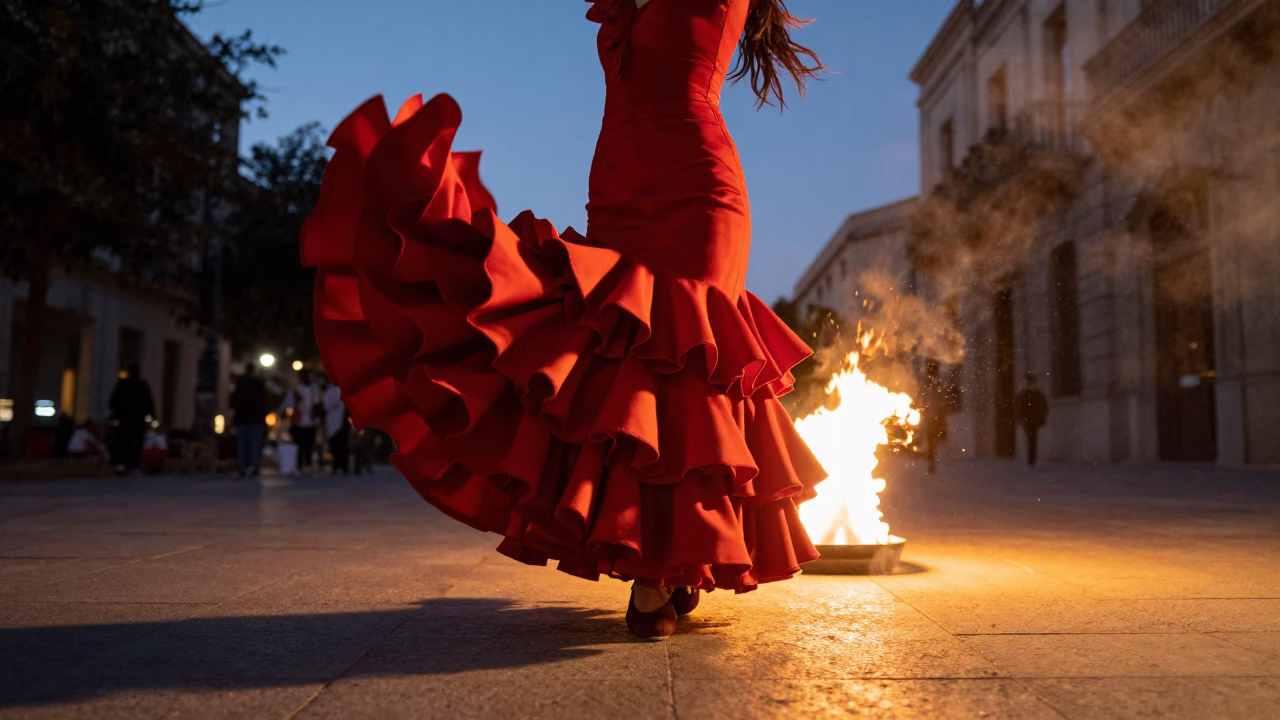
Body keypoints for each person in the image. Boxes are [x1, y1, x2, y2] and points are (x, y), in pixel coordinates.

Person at [301, 0, 828, 640]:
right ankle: (669, 552)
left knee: (679, 351)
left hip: (697, 184)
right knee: (610, 349)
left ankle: (661, 566)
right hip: (618, 184)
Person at [108, 363, 155, 475]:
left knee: (123, 441)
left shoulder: (122, 385)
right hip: (138, 420)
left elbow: (113, 402)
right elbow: (148, 404)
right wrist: (152, 420)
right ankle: (133, 465)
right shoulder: (142, 385)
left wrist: (117, 414)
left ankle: (121, 464)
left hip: (124, 419)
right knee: (136, 443)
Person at [277, 369, 320, 473]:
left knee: (309, 445)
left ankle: (307, 464)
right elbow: (287, 402)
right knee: (300, 445)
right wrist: (281, 413)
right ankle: (299, 465)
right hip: (299, 422)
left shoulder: (313, 389)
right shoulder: (296, 390)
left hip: (310, 422)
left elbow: (317, 403)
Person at [232, 362, 269, 477]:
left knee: (242, 443)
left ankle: (242, 466)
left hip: (243, 417)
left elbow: (235, 399)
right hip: (256, 417)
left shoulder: (241, 382)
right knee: (255, 442)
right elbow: (264, 400)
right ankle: (254, 465)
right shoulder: (259, 383)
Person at [916, 361, 949, 475]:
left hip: (932, 416)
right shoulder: (933, 383)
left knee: (932, 439)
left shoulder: (932, 383)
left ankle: (932, 459)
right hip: (931, 416)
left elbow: (936, 399)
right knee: (932, 439)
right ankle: (931, 459)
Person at [1015, 373, 1049, 466]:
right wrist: (1019, 418)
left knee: (1032, 438)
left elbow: (1044, 406)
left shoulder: (1036, 394)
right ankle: (1031, 458)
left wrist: (1042, 417)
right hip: (1028, 419)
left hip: (1033, 419)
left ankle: (1031, 458)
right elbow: (1019, 407)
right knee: (1031, 438)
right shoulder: (1024, 394)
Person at [320, 377, 349, 474]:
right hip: (333, 421)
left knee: (340, 445)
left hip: (339, 421)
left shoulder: (336, 390)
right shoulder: (330, 391)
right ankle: (337, 465)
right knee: (335, 445)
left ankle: (342, 465)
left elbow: (329, 404)